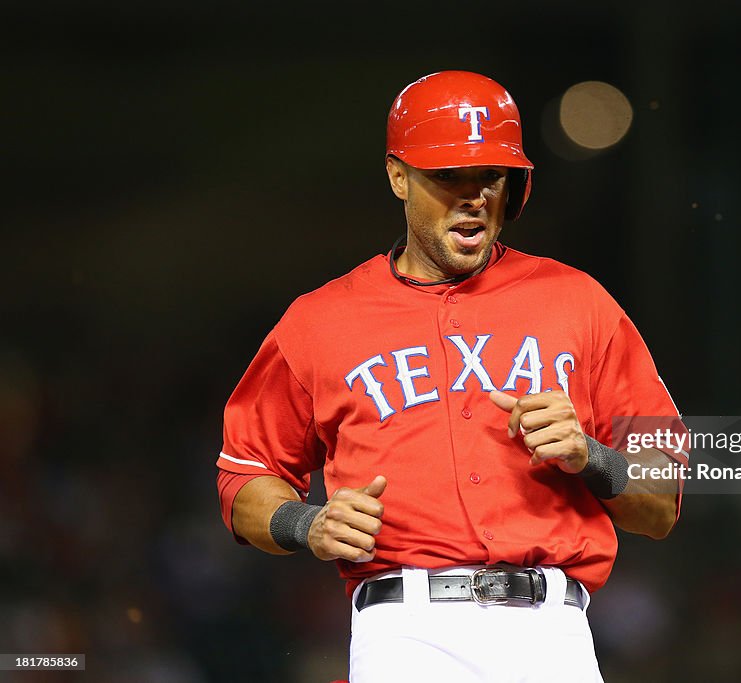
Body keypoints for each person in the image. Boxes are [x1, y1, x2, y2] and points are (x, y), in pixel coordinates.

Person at [215, 70, 685, 683]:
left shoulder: (579, 302)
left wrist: (590, 455)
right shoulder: (319, 320)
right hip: (406, 633)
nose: (473, 197)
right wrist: (307, 523)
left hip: (551, 631)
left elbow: (664, 497)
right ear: (398, 177)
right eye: (449, 177)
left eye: (489, 176)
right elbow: (244, 475)